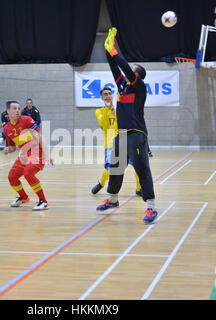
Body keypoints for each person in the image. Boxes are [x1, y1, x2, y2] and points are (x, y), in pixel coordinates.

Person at [96, 27, 157, 224]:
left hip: (137, 133)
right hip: (121, 135)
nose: (128, 68)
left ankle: (150, 207)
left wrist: (114, 51)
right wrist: (108, 45)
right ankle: (113, 199)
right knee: (116, 168)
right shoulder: (123, 86)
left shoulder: (139, 86)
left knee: (142, 170)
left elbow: (123, 65)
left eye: (133, 68)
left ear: (138, 74)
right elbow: (114, 65)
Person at [91, 87, 142, 196]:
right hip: (110, 141)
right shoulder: (99, 111)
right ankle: (101, 183)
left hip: (124, 138)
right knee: (111, 170)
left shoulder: (120, 109)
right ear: (102, 97)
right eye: (105, 94)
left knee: (138, 166)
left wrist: (117, 114)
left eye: (109, 93)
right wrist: (108, 110)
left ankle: (139, 189)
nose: (108, 96)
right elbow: (103, 124)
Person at [3, 101, 53, 211]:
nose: (17, 110)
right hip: (24, 155)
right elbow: (12, 147)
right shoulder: (7, 128)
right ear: (8, 111)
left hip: (37, 151)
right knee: (12, 177)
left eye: (18, 108)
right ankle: (24, 198)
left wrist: (47, 155)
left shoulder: (26, 120)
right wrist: (8, 149)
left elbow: (40, 136)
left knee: (28, 173)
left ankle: (43, 202)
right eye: (14, 108)